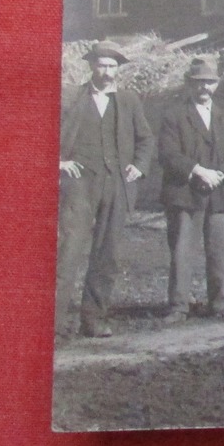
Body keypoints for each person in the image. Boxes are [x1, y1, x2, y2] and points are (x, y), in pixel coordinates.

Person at [56, 43, 155, 339]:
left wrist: (139, 165)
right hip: (80, 185)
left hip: (116, 186)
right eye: (102, 66)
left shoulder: (128, 101)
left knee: (107, 254)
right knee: (69, 250)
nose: (107, 72)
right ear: (91, 67)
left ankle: (94, 319)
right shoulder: (73, 97)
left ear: (118, 70)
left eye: (112, 67)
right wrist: (59, 162)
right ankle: (54, 323)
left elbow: (146, 140)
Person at [158, 56, 224, 322]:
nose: (204, 88)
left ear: (216, 85)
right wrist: (198, 170)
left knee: (221, 252)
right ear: (188, 85)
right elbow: (168, 153)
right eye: (198, 83)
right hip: (186, 194)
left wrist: (222, 173)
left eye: (209, 83)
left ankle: (220, 305)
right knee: (183, 251)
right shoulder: (174, 115)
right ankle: (178, 306)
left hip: (220, 194)